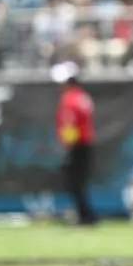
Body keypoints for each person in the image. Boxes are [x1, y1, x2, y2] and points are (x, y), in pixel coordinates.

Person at [52, 61, 98, 226]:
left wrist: (67, 146)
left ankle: (85, 216)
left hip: (76, 145)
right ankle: (86, 214)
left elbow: (69, 124)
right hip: (86, 144)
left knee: (74, 183)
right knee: (80, 183)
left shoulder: (69, 99)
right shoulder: (83, 97)